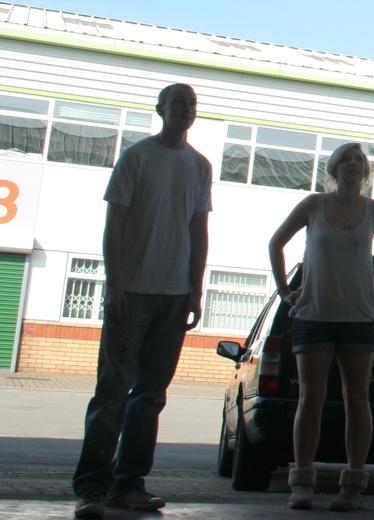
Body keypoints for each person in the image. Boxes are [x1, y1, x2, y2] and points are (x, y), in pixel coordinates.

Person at [72, 83, 212, 520]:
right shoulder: (136, 157)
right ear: (161, 110)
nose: (185, 110)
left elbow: (198, 230)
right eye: (178, 103)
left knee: (150, 394)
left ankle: (130, 484)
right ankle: (92, 488)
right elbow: (114, 224)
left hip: (174, 297)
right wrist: (115, 284)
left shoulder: (200, 166)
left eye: (191, 104)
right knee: (112, 392)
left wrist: (195, 288)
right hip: (131, 294)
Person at [268, 142, 374, 511]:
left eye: (359, 160)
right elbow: (276, 242)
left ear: (366, 171)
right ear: (334, 168)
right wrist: (284, 292)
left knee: (357, 399)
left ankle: (352, 487)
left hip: (358, 318)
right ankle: (303, 483)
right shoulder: (314, 205)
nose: (353, 164)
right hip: (313, 315)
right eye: (346, 159)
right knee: (311, 398)